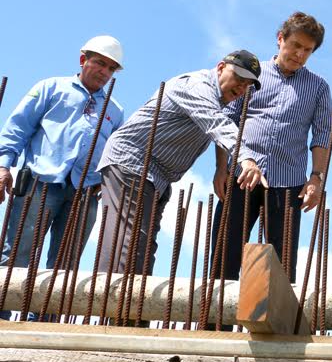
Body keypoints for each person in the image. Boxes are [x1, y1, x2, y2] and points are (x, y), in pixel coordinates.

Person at [96, 50, 266, 276]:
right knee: (129, 246)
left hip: (156, 175)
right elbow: (217, 123)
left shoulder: (217, 100)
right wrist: (246, 158)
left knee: (143, 250)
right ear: (220, 67)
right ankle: (116, 308)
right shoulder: (197, 86)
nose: (241, 88)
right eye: (238, 79)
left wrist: (220, 168)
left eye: (247, 85)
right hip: (132, 163)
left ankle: (124, 308)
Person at [0, 36, 125, 319]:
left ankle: (41, 327)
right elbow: (17, 128)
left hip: (85, 192)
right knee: (17, 256)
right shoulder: (50, 88)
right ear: (83, 60)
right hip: (39, 183)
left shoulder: (115, 111)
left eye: (111, 68)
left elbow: (116, 154)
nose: (104, 72)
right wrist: (4, 165)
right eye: (100, 63)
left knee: (63, 267)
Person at [212, 12, 332, 283]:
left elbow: (323, 135)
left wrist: (317, 178)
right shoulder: (252, 76)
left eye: (307, 50)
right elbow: (226, 121)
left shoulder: (319, 88)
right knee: (223, 262)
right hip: (241, 176)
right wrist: (221, 169)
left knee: (280, 272)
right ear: (280, 39)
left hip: (288, 185)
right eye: (295, 46)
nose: (300, 54)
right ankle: (216, 326)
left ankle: (271, 327)